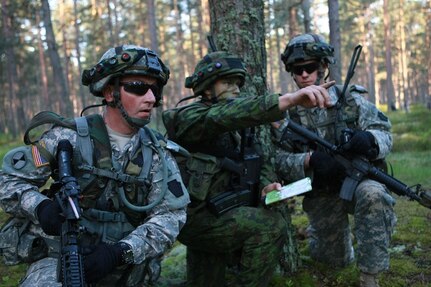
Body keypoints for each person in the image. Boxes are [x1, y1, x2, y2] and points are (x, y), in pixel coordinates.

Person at [0, 44, 190, 286]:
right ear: (110, 93)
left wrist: (121, 252)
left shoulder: (158, 154)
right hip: (58, 261)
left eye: (155, 89)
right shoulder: (66, 138)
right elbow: (10, 180)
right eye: (138, 87)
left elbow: (171, 216)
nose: (151, 98)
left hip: (125, 265)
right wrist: (40, 207)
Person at [162, 51, 333, 286]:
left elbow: (256, 159)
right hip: (196, 219)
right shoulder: (189, 116)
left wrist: (266, 186)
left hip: (221, 212)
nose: (236, 89)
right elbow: (223, 116)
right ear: (206, 87)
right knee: (270, 227)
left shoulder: (239, 127)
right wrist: (288, 100)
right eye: (228, 82)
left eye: (238, 83)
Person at [272, 33, 396, 287]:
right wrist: (308, 160)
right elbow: (277, 159)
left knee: (374, 195)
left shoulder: (350, 100)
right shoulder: (287, 113)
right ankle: (332, 241)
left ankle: (370, 276)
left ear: (324, 67)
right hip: (321, 190)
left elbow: (384, 134)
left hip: (359, 180)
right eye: (298, 70)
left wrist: (369, 140)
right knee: (334, 261)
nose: (304, 75)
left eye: (311, 68)